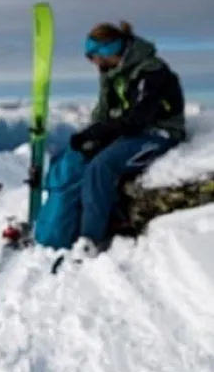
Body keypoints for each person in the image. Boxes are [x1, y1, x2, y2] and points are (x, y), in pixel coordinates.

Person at [39, 20, 185, 257]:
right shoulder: (113, 73)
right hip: (131, 132)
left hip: (159, 133)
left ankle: (91, 239)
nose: (93, 62)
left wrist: (99, 133)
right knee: (75, 157)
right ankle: (62, 222)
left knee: (102, 166)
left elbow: (140, 117)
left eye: (93, 56)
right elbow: (105, 113)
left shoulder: (151, 72)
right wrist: (90, 136)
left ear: (108, 51)